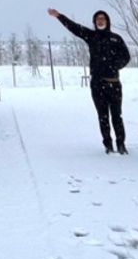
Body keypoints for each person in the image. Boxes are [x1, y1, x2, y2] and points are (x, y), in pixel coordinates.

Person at [48, 8, 131, 154]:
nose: (100, 21)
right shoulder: (91, 36)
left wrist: (114, 66)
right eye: (98, 19)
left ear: (107, 21)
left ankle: (121, 144)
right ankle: (108, 145)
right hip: (97, 84)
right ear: (95, 22)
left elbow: (126, 56)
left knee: (117, 115)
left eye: (103, 18)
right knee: (102, 116)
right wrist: (59, 16)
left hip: (114, 83)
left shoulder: (116, 38)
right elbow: (74, 27)